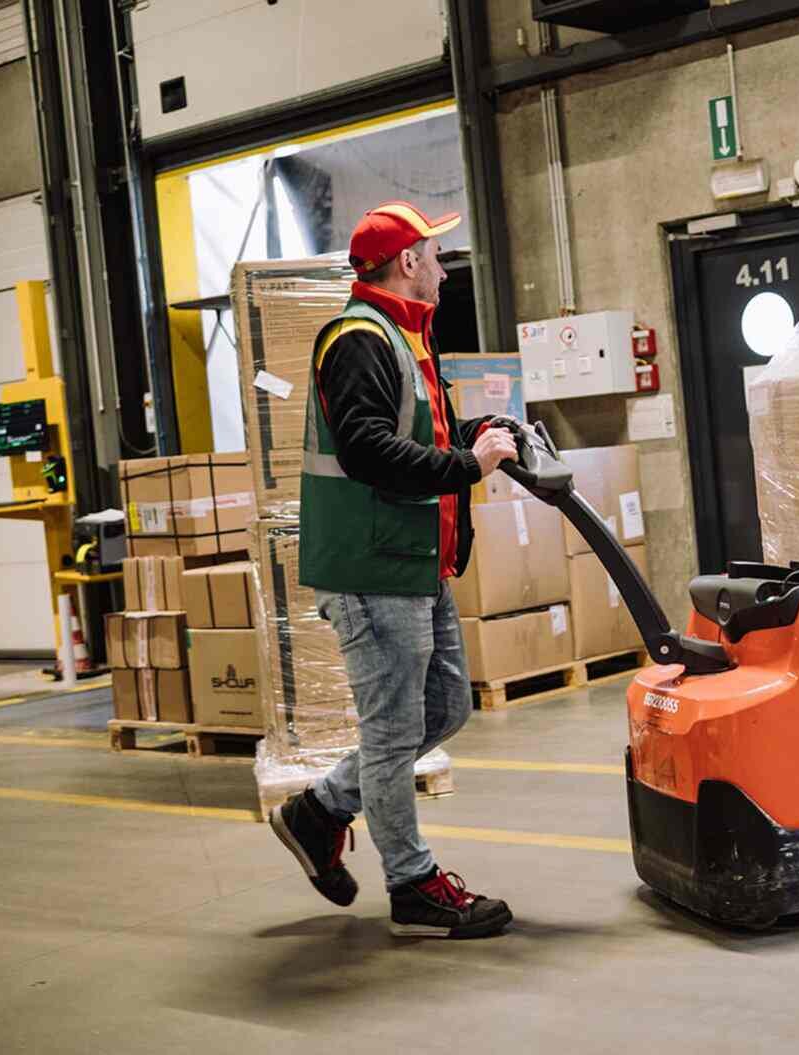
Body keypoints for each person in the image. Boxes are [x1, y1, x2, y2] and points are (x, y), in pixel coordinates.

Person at [268, 201, 520, 938]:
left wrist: (478, 435)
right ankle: (412, 882)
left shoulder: (404, 336)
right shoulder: (358, 338)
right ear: (407, 261)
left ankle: (317, 812)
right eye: (435, 255)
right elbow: (368, 449)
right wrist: (465, 466)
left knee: (444, 709)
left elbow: (417, 430)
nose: (444, 268)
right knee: (391, 730)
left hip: (414, 562)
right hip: (372, 566)